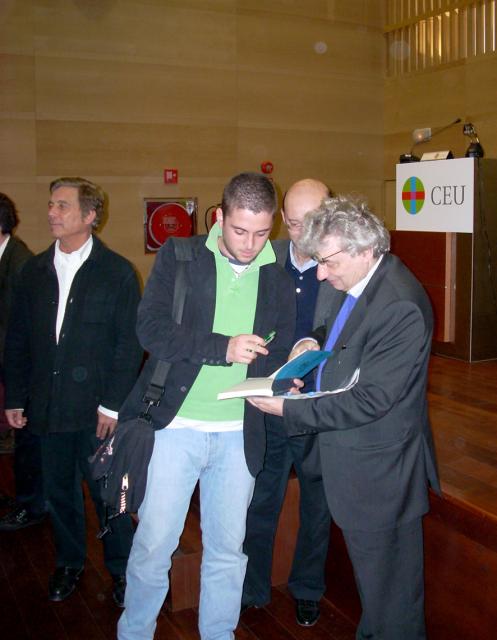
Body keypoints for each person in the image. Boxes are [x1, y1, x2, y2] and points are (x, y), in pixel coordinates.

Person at [248, 195, 440, 640]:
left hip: (381, 477)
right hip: (351, 466)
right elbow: (336, 333)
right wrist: (310, 344)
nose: (320, 273)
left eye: (327, 261)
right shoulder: (352, 280)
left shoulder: (400, 305)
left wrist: (289, 408)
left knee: (394, 607)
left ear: (364, 248)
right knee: (376, 599)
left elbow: (369, 401)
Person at [117, 172, 296, 640]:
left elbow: (281, 345)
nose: (251, 243)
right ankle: (134, 632)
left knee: (227, 549)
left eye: (262, 232)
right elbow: (150, 329)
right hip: (176, 427)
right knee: (155, 544)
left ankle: (218, 633)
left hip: (240, 433)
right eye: (240, 231)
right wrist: (223, 348)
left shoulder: (277, 274)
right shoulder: (180, 257)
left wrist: (285, 368)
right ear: (220, 217)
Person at [3, 177, 143, 607]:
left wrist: (113, 405)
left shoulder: (117, 273)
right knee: (58, 492)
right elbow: (19, 338)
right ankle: (69, 562)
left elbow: (129, 345)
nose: (51, 213)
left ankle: (121, 570)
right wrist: (14, 396)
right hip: (47, 407)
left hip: (98, 412)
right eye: (51, 205)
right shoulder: (33, 271)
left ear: (90, 216)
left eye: (62, 206)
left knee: (109, 496)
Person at [242, 179, 334, 626]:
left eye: (313, 222)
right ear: (282, 217)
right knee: (262, 496)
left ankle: (308, 588)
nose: (303, 234)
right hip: (270, 400)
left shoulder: (340, 264)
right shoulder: (264, 260)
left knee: (317, 502)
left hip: (319, 404)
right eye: (294, 223)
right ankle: (253, 586)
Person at [0, 193, 44, 523]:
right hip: (12, 368)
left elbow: (23, 329)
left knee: (28, 443)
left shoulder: (21, 264)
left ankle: (32, 505)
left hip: (24, 372)